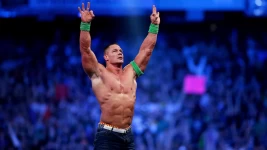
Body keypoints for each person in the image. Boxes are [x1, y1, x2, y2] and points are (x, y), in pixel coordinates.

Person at [78, 2, 160, 150]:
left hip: (128, 136)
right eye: (115, 51)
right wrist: (85, 25)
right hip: (107, 136)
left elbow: (146, 50)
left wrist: (154, 27)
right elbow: (85, 50)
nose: (120, 52)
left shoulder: (131, 72)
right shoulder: (99, 73)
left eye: (121, 50)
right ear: (106, 57)